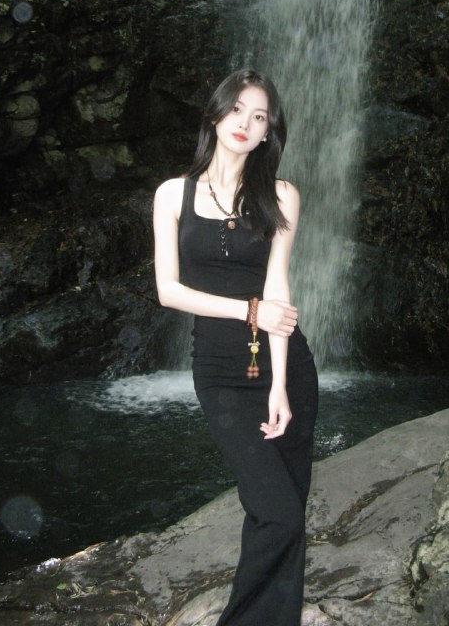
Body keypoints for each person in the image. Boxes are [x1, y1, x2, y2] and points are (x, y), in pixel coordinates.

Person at [153, 68, 318, 626]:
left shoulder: (282, 195)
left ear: (270, 131)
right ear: (215, 114)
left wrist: (280, 386)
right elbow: (169, 291)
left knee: (281, 512)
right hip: (220, 372)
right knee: (279, 514)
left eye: (259, 116)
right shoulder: (174, 194)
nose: (245, 122)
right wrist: (248, 311)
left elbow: (278, 290)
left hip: (286, 369)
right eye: (237, 109)